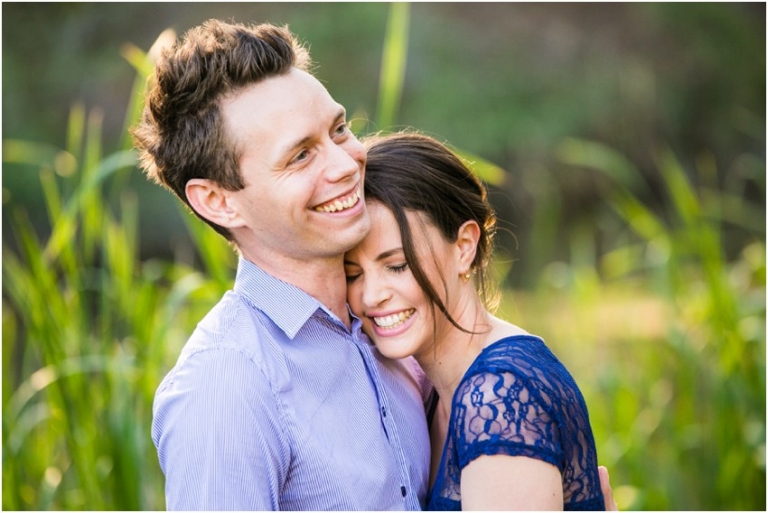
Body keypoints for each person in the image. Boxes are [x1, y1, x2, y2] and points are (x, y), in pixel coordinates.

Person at [132, 20, 431, 510]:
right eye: (299, 156)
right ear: (219, 202)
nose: (344, 165)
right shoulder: (226, 387)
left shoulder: (393, 321)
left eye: (339, 129)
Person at [344, 131, 607, 510]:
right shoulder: (437, 390)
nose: (371, 296)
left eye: (397, 265)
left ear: (464, 247)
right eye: (354, 274)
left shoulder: (500, 395)